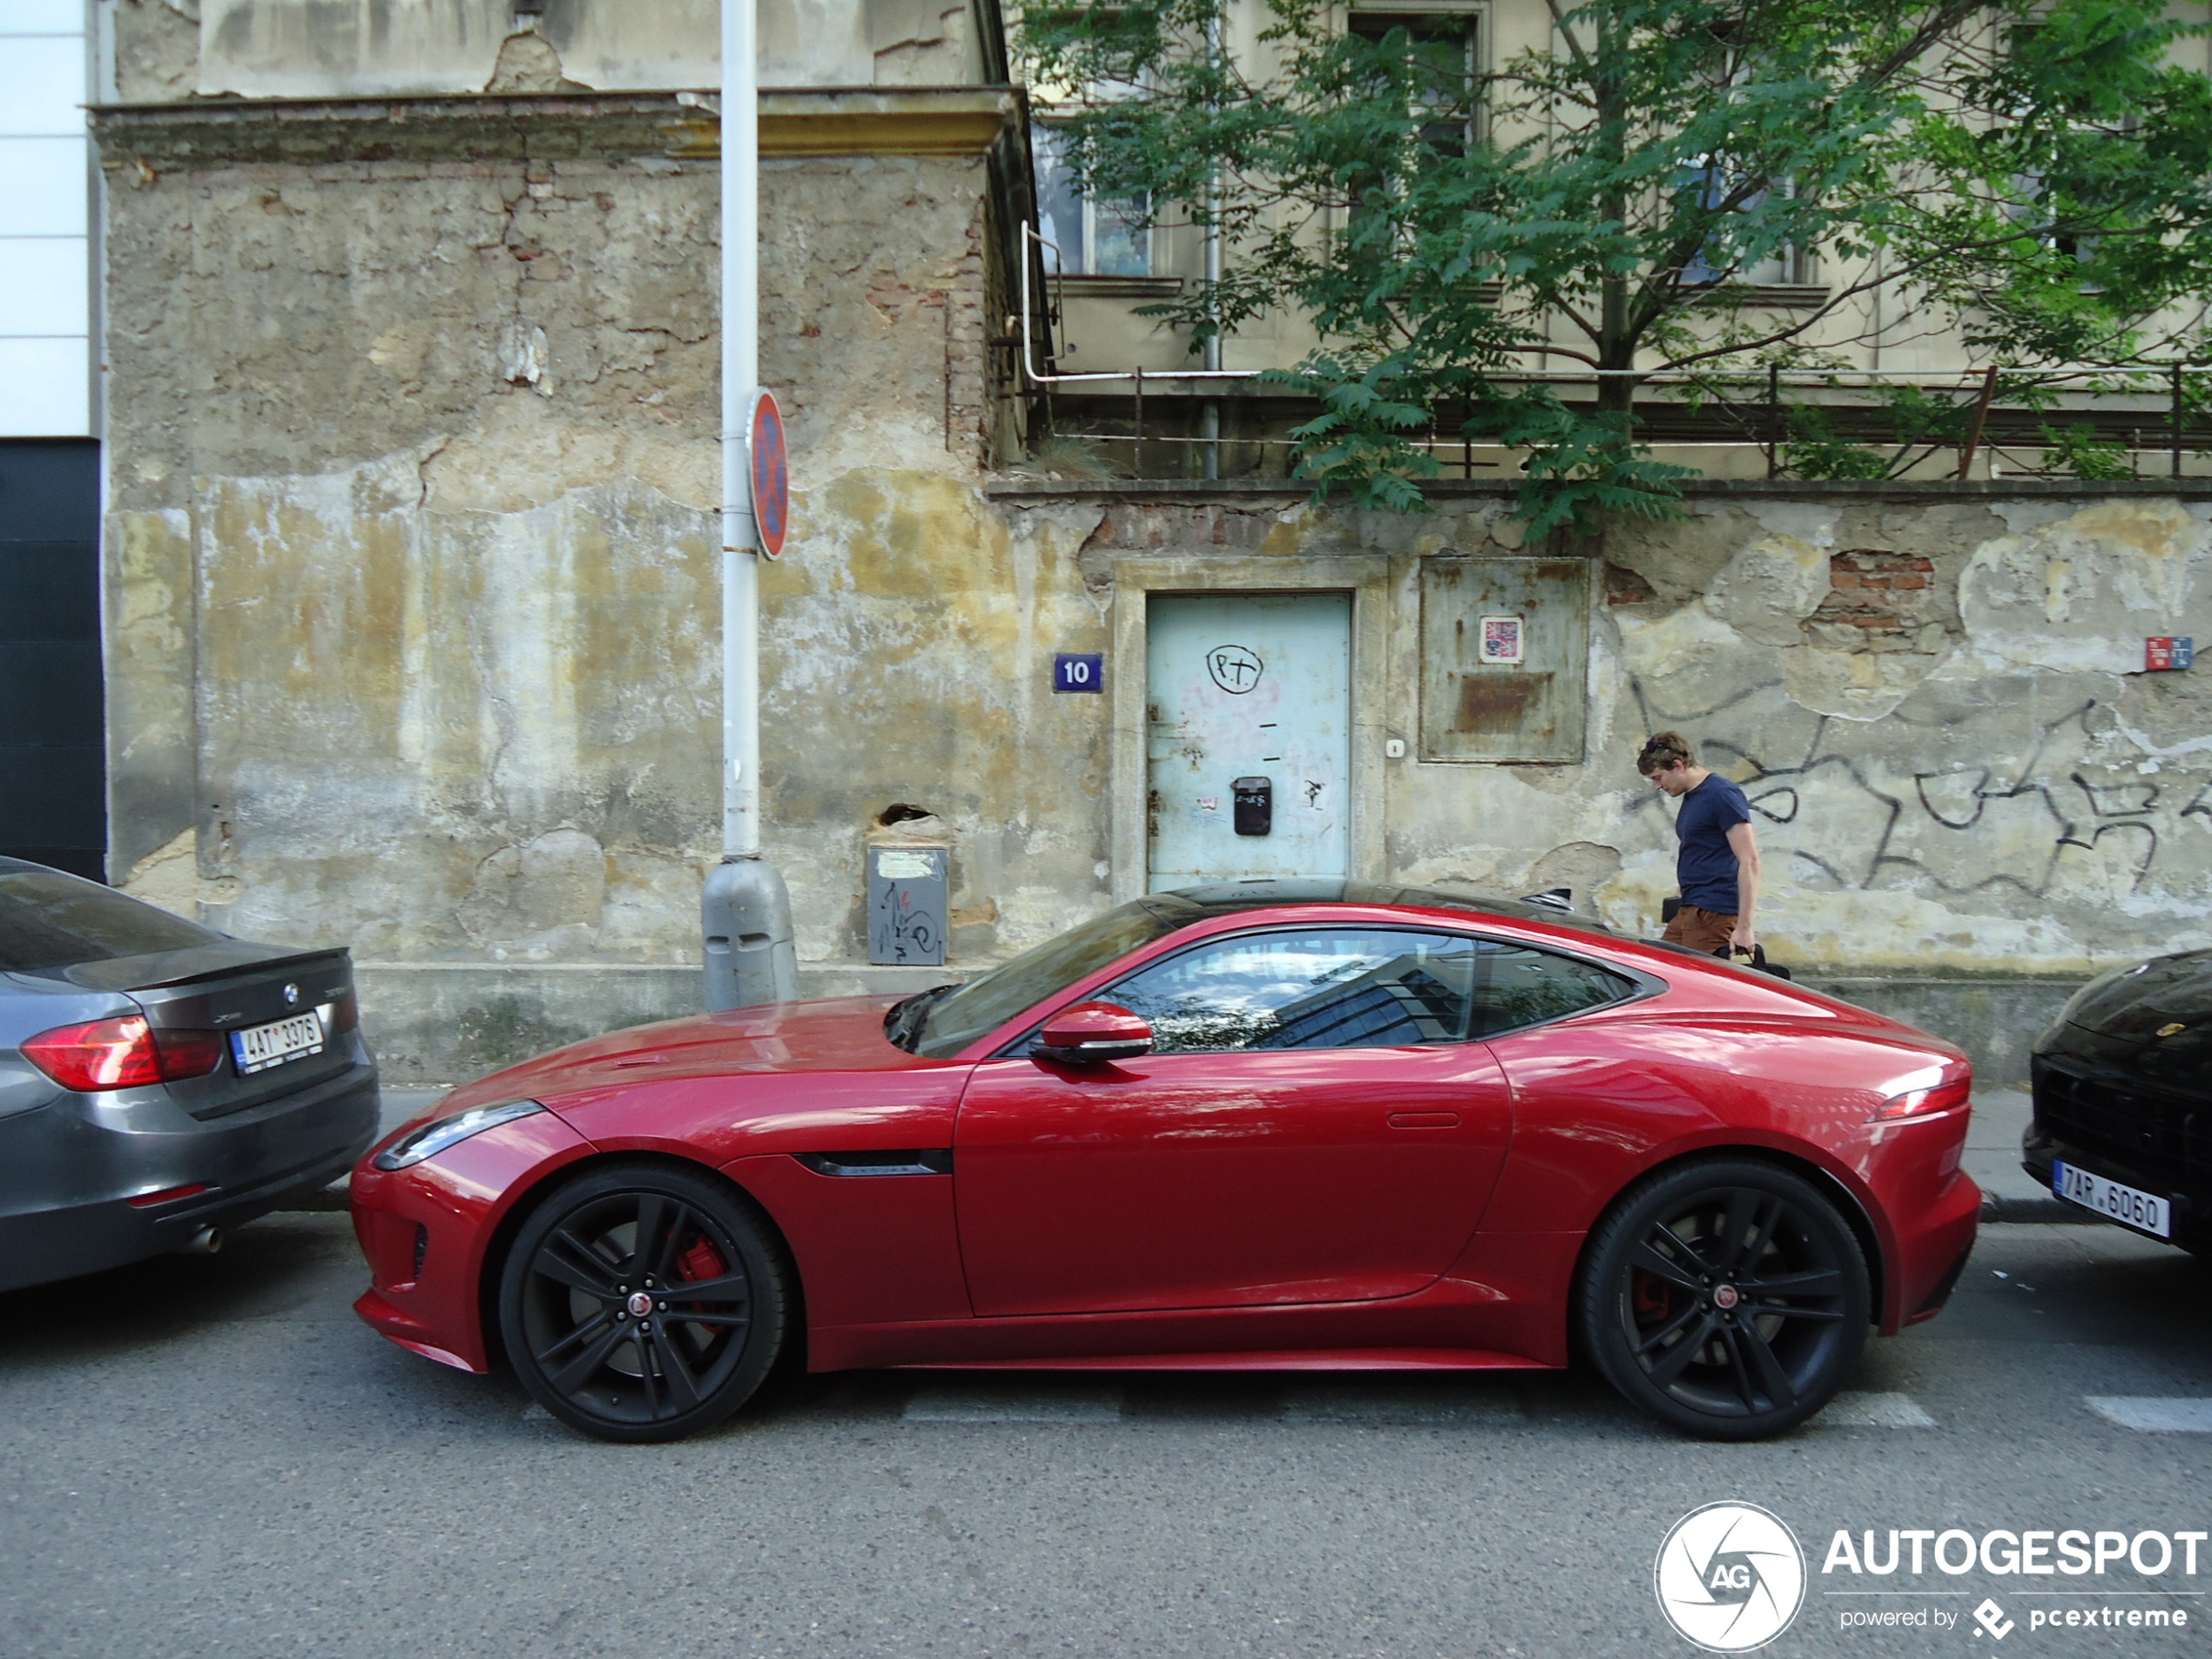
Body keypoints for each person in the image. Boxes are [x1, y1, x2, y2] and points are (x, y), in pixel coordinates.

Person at [1638, 730, 1760, 958]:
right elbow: (1702, 849)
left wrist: (1744, 927)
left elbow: (1750, 860)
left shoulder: (1722, 794)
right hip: (1691, 906)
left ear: (1678, 765)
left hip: (1714, 911)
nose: (1657, 786)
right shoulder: (1694, 796)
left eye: (1658, 777)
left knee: (1695, 985)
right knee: (1660, 966)